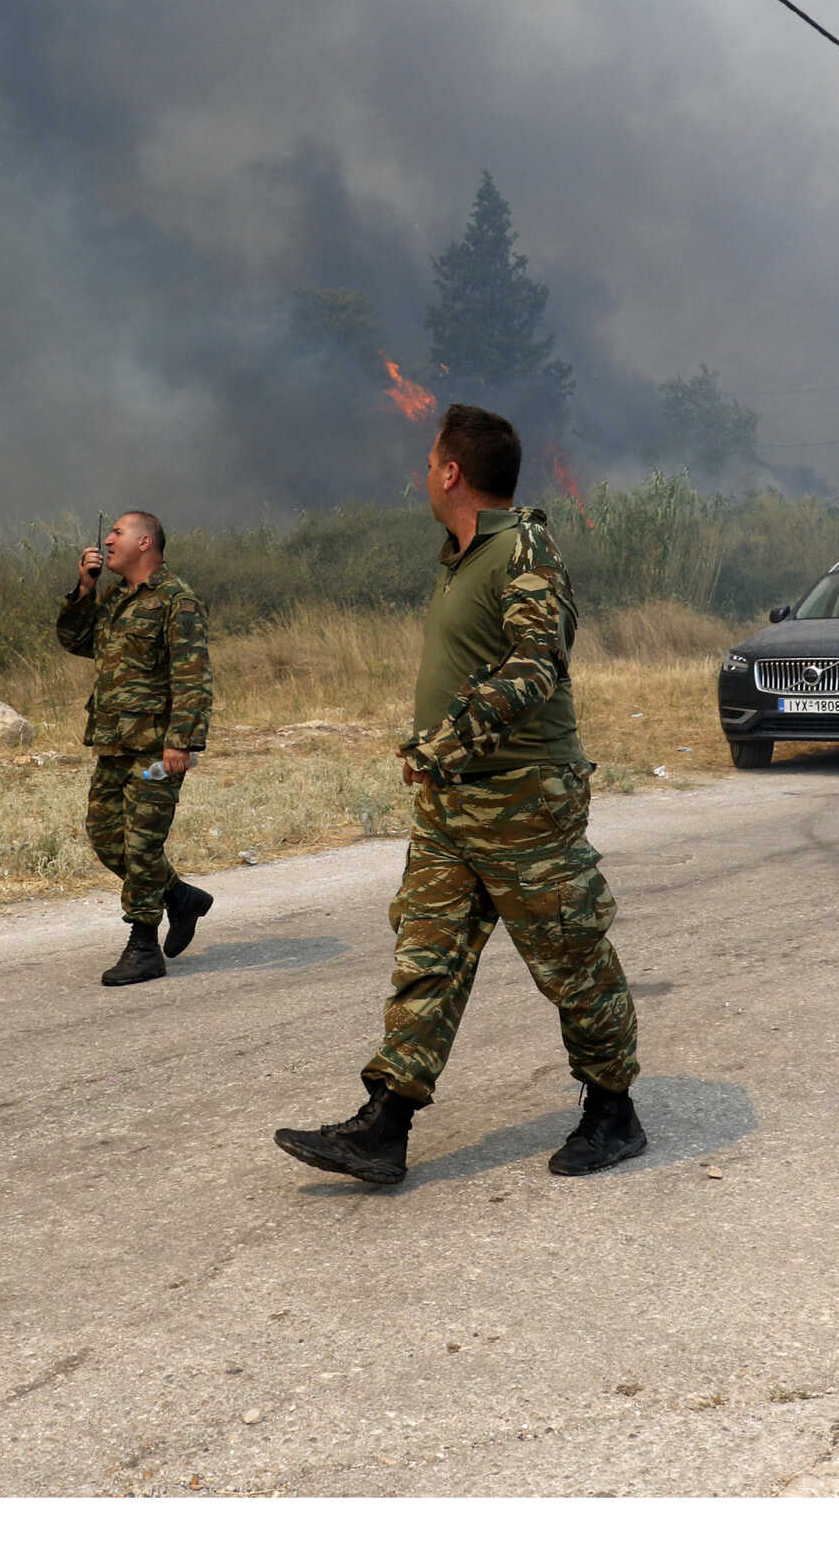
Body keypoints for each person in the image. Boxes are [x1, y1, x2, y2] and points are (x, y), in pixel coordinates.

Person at [274, 403, 643, 1187]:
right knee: (427, 957)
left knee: (570, 957)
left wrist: (446, 741)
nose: (422, 473)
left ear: (451, 472)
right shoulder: (462, 556)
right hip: (453, 805)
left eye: (428, 460)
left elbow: (536, 665)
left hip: (521, 799)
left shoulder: (524, 548)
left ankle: (614, 1109)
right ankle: (386, 1121)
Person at [58, 510, 213, 985]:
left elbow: (192, 677)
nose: (106, 540)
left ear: (145, 543)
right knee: (106, 837)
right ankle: (179, 896)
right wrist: (83, 591)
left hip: (155, 751)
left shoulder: (176, 600)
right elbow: (74, 640)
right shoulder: (114, 598)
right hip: (113, 742)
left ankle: (143, 944)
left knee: (143, 845)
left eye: (117, 533)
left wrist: (181, 742)